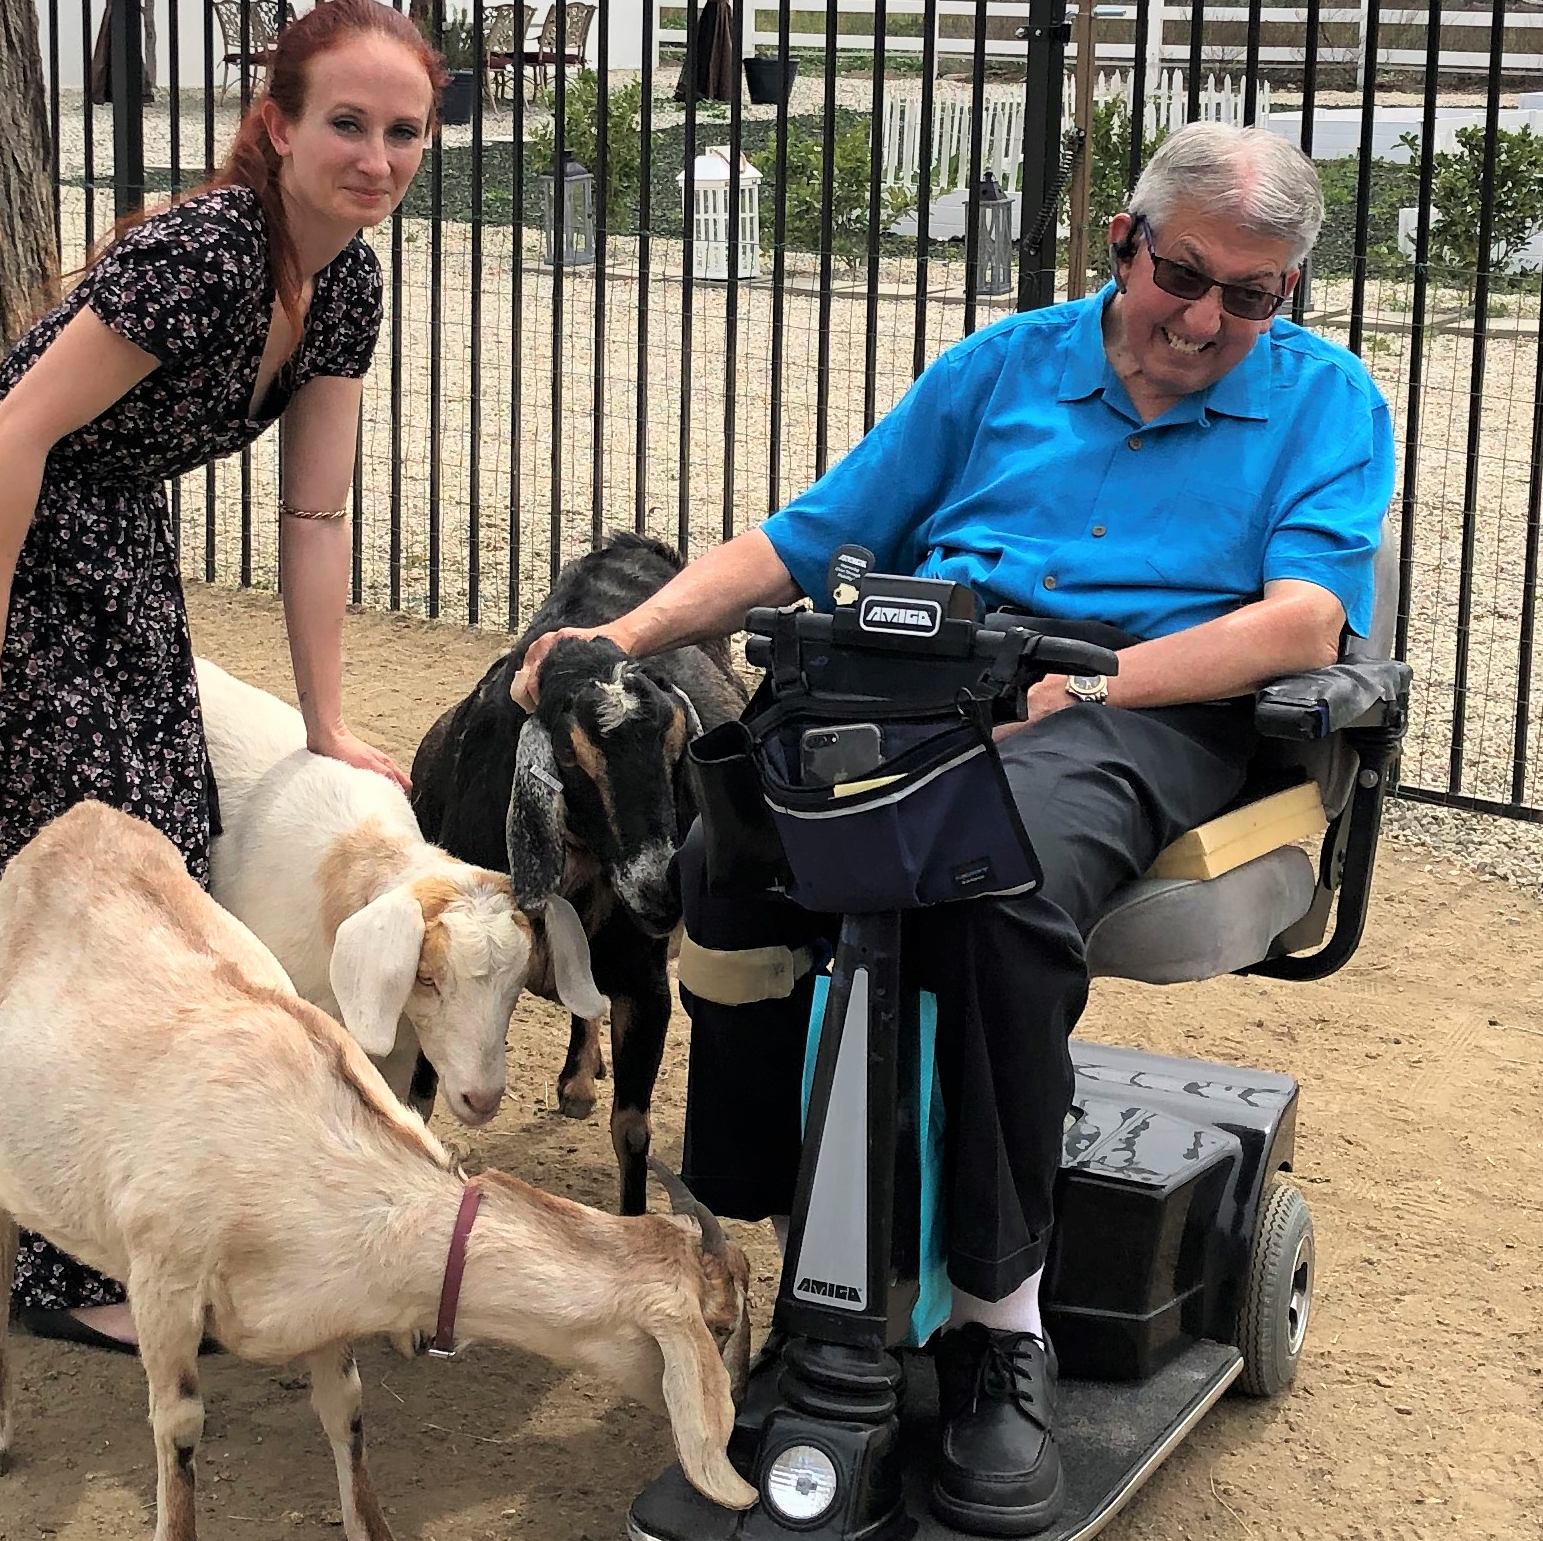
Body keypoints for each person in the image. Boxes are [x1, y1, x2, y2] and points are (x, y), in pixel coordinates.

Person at [514, 122, 1395, 1535]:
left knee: (987, 883)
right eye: (1184, 274)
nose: (1208, 317)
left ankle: (1001, 1326)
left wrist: (1084, 683)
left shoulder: (1324, 400)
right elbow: (805, 539)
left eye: (1253, 295)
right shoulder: (1002, 366)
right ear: (1124, 242)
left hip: (1148, 697)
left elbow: (1301, 620)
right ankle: (791, 1247)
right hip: (937, 672)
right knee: (729, 845)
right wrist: (611, 637)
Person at [0, 0, 440, 1352]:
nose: (375, 157)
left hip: (116, 553)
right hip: (6, 547)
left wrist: (325, 720)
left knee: (162, 851)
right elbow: (11, 437)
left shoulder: (347, 282)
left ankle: (105, 1198)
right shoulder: (206, 256)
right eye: (347, 124)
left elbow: (316, 513)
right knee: (30, 877)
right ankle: (2, 1236)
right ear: (280, 125)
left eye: (405, 131)